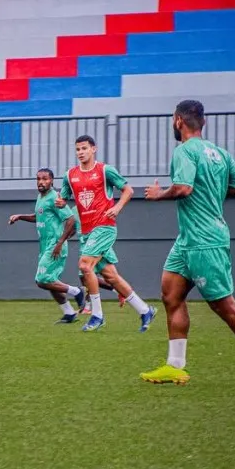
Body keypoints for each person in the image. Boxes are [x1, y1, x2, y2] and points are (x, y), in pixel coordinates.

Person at [140, 99, 235, 387]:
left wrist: (158, 194)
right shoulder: (218, 152)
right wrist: (214, 195)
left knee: (223, 305)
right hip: (188, 241)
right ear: (202, 122)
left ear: (178, 120)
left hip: (204, 240)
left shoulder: (184, 151)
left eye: (173, 119)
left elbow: (183, 188)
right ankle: (175, 366)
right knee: (171, 294)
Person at [56, 135, 156, 332]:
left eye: (84, 148)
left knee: (85, 266)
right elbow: (64, 197)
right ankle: (145, 310)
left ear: (94, 149)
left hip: (104, 226)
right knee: (110, 276)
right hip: (86, 232)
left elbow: (128, 190)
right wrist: (60, 202)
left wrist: (117, 208)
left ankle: (97, 315)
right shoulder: (70, 175)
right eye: (77, 149)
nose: (81, 152)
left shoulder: (105, 170)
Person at [9, 168, 85, 322]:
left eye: (45, 179)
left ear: (52, 181)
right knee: (50, 282)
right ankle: (69, 313)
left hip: (55, 246)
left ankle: (77, 292)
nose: (41, 182)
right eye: (38, 179)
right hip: (45, 246)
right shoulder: (41, 197)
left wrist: (60, 243)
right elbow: (38, 217)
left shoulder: (55, 197)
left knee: (42, 280)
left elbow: (71, 220)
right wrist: (20, 217)